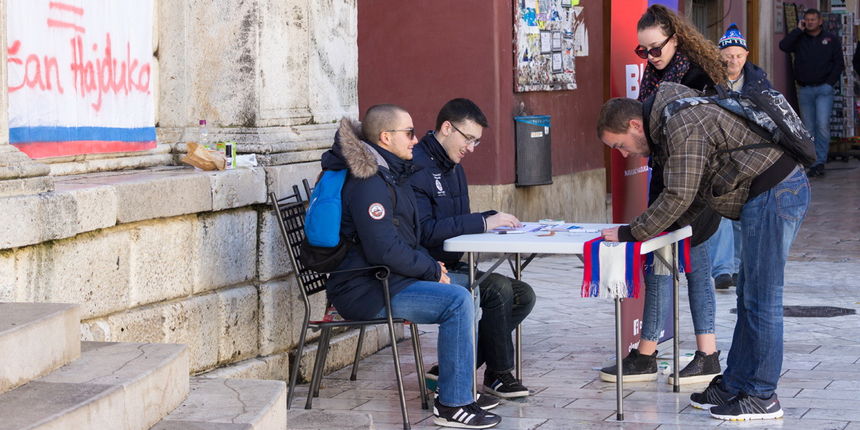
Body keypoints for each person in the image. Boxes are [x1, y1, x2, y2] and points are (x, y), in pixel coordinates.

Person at [596, 83, 810, 421]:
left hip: (775, 193)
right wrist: (664, 232)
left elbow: (679, 194)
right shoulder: (670, 121)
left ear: (635, 125)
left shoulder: (682, 122)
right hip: (766, 194)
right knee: (748, 297)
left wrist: (632, 232)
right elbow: (692, 195)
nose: (624, 154)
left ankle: (762, 395)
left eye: (620, 145)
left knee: (763, 300)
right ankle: (736, 383)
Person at [322, 104, 501, 429]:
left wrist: (430, 265)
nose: (416, 140)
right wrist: (430, 269)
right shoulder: (368, 182)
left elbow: (407, 238)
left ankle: (459, 390)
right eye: (408, 133)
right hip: (363, 289)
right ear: (386, 137)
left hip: (386, 279)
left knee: (465, 291)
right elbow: (382, 248)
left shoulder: (390, 175)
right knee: (457, 300)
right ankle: (453, 404)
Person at [598, 4, 723, 386]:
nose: (650, 57)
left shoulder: (700, 75)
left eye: (656, 49)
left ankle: (693, 353)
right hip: (668, 180)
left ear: (676, 38)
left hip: (696, 185)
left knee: (691, 266)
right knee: (665, 265)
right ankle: (667, 352)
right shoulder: (655, 75)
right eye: (643, 51)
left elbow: (704, 135)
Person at [410, 98, 537, 400]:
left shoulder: (454, 167)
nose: (471, 148)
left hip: (453, 264)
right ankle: (499, 374)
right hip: (426, 268)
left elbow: (455, 222)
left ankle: (455, 368)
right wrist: (481, 222)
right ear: (446, 128)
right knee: (497, 290)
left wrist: (492, 221)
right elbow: (425, 231)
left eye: (477, 142)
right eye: (468, 139)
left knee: (523, 294)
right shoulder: (416, 167)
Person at [709, 23, 775, 290]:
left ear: (746, 55)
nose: (733, 61)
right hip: (720, 154)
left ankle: (737, 266)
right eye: (728, 56)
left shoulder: (759, 81)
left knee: (743, 211)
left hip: (751, 155)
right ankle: (723, 269)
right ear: (720, 56)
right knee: (721, 210)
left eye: (738, 56)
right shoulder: (710, 80)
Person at [779, 8, 844, 178]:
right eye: (807, 20)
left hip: (824, 89)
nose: (810, 22)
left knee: (822, 126)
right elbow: (783, 46)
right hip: (805, 89)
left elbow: (839, 63)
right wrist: (798, 30)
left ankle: (820, 161)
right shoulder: (799, 38)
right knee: (808, 128)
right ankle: (812, 161)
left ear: (820, 21)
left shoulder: (831, 39)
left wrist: (829, 83)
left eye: (813, 19)